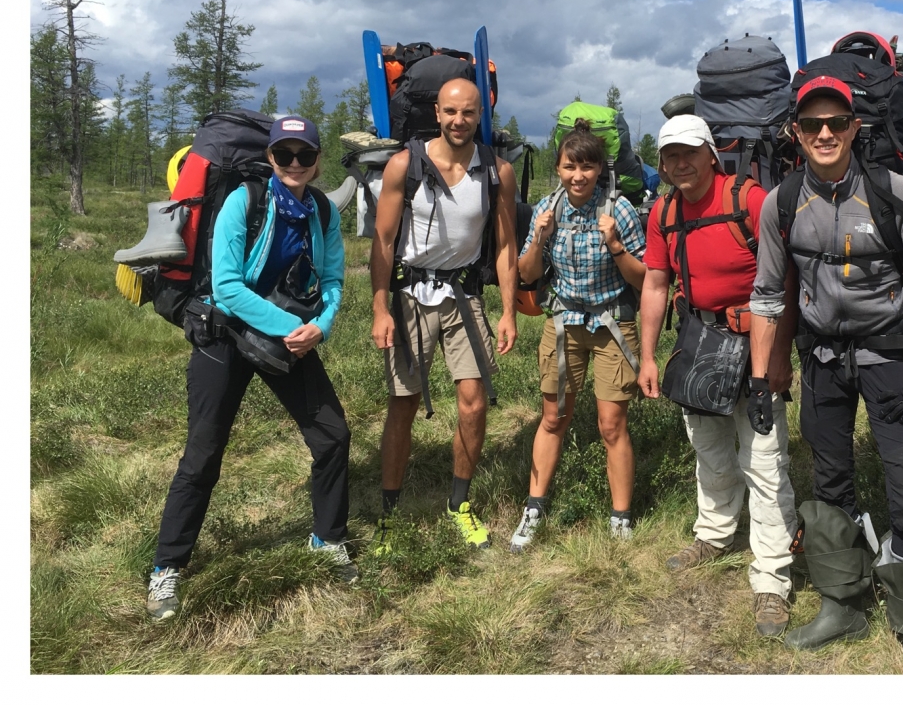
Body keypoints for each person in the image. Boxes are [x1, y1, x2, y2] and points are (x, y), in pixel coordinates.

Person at [749, 76, 903, 674]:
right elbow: (768, 295)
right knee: (830, 487)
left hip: (892, 359)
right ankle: (844, 605)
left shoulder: (893, 194)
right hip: (821, 362)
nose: (823, 133)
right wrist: (764, 380)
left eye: (835, 123)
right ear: (796, 133)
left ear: (853, 129)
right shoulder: (781, 202)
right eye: (811, 124)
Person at [146, 115, 355, 621]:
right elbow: (227, 286)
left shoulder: (322, 210)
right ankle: (166, 568)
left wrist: (320, 327)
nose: (295, 164)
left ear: (318, 160)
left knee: (333, 436)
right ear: (271, 158)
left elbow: (332, 278)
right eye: (285, 154)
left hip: (291, 339)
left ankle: (327, 538)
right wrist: (291, 325)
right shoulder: (245, 201)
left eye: (305, 155)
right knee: (203, 453)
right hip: (226, 335)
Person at [637, 114, 799, 639]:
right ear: (662, 164)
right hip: (700, 344)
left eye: (689, 152)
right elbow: (657, 284)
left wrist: (777, 358)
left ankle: (772, 579)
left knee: (765, 462)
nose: (680, 163)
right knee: (708, 447)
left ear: (712, 154)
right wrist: (647, 356)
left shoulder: (748, 201)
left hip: (755, 342)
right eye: (670, 156)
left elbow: (786, 280)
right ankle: (715, 532)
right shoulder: (663, 212)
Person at [370, 78, 518, 551]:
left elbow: (506, 246)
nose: (459, 121)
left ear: (480, 115)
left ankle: (459, 504)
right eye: (451, 112)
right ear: (437, 112)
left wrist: (509, 311)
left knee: (474, 403)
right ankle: (390, 515)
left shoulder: (496, 172)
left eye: (468, 113)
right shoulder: (404, 166)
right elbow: (384, 241)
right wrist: (378, 305)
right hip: (409, 295)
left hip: (463, 295)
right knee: (404, 403)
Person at [509, 119, 647, 551]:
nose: (578, 175)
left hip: (611, 324)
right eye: (570, 166)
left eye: (587, 167)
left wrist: (616, 246)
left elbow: (643, 280)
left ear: (600, 169)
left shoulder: (618, 210)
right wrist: (539, 240)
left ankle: (620, 518)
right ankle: (534, 508)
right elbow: (527, 276)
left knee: (612, 424)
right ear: (559, 168)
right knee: (553, 419)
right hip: (564, 321)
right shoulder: (547, 209)